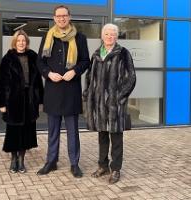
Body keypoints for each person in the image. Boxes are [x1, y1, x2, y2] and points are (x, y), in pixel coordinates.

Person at [37, 5, 90, 178]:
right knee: (52, 130)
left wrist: (74, 71)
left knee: (73, 131)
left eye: (64, 16)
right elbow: (40, 62)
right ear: (54, 18)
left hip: (71, 90)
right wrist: (48, 73)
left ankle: (74, 164)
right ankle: (51, 161)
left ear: (69, 17)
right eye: (58, 16)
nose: (61, 19)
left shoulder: (80, 38)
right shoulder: (47, 36)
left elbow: (85, 61)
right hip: (52, 89)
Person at [83, 23, 136, 184]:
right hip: (99, 104)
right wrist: (88, 94)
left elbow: (131, 78)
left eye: (113, 34)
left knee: (116, 137)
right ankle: (103, 165)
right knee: (102, 136)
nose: (110, 37)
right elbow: (89, 77)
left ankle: (116, 169)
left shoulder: (123, 53)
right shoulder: (96, 54)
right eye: (107, 34)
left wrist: (119, 97)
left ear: (116, 36)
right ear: (102, 36)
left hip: (115, 105)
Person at [0, 30, 44, 173]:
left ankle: (22, 160)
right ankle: (13, 159)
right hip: (13, 101)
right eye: (18, 41)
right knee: (13, 132)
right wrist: (2, 104)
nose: (21, 43)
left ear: (27, 42)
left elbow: (38, 82)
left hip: (29, 101)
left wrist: (39, 100)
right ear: (14, 42)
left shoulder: (33, 56)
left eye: (23, 40)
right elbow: (1, 82)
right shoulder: (8, 58)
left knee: (26, 132)